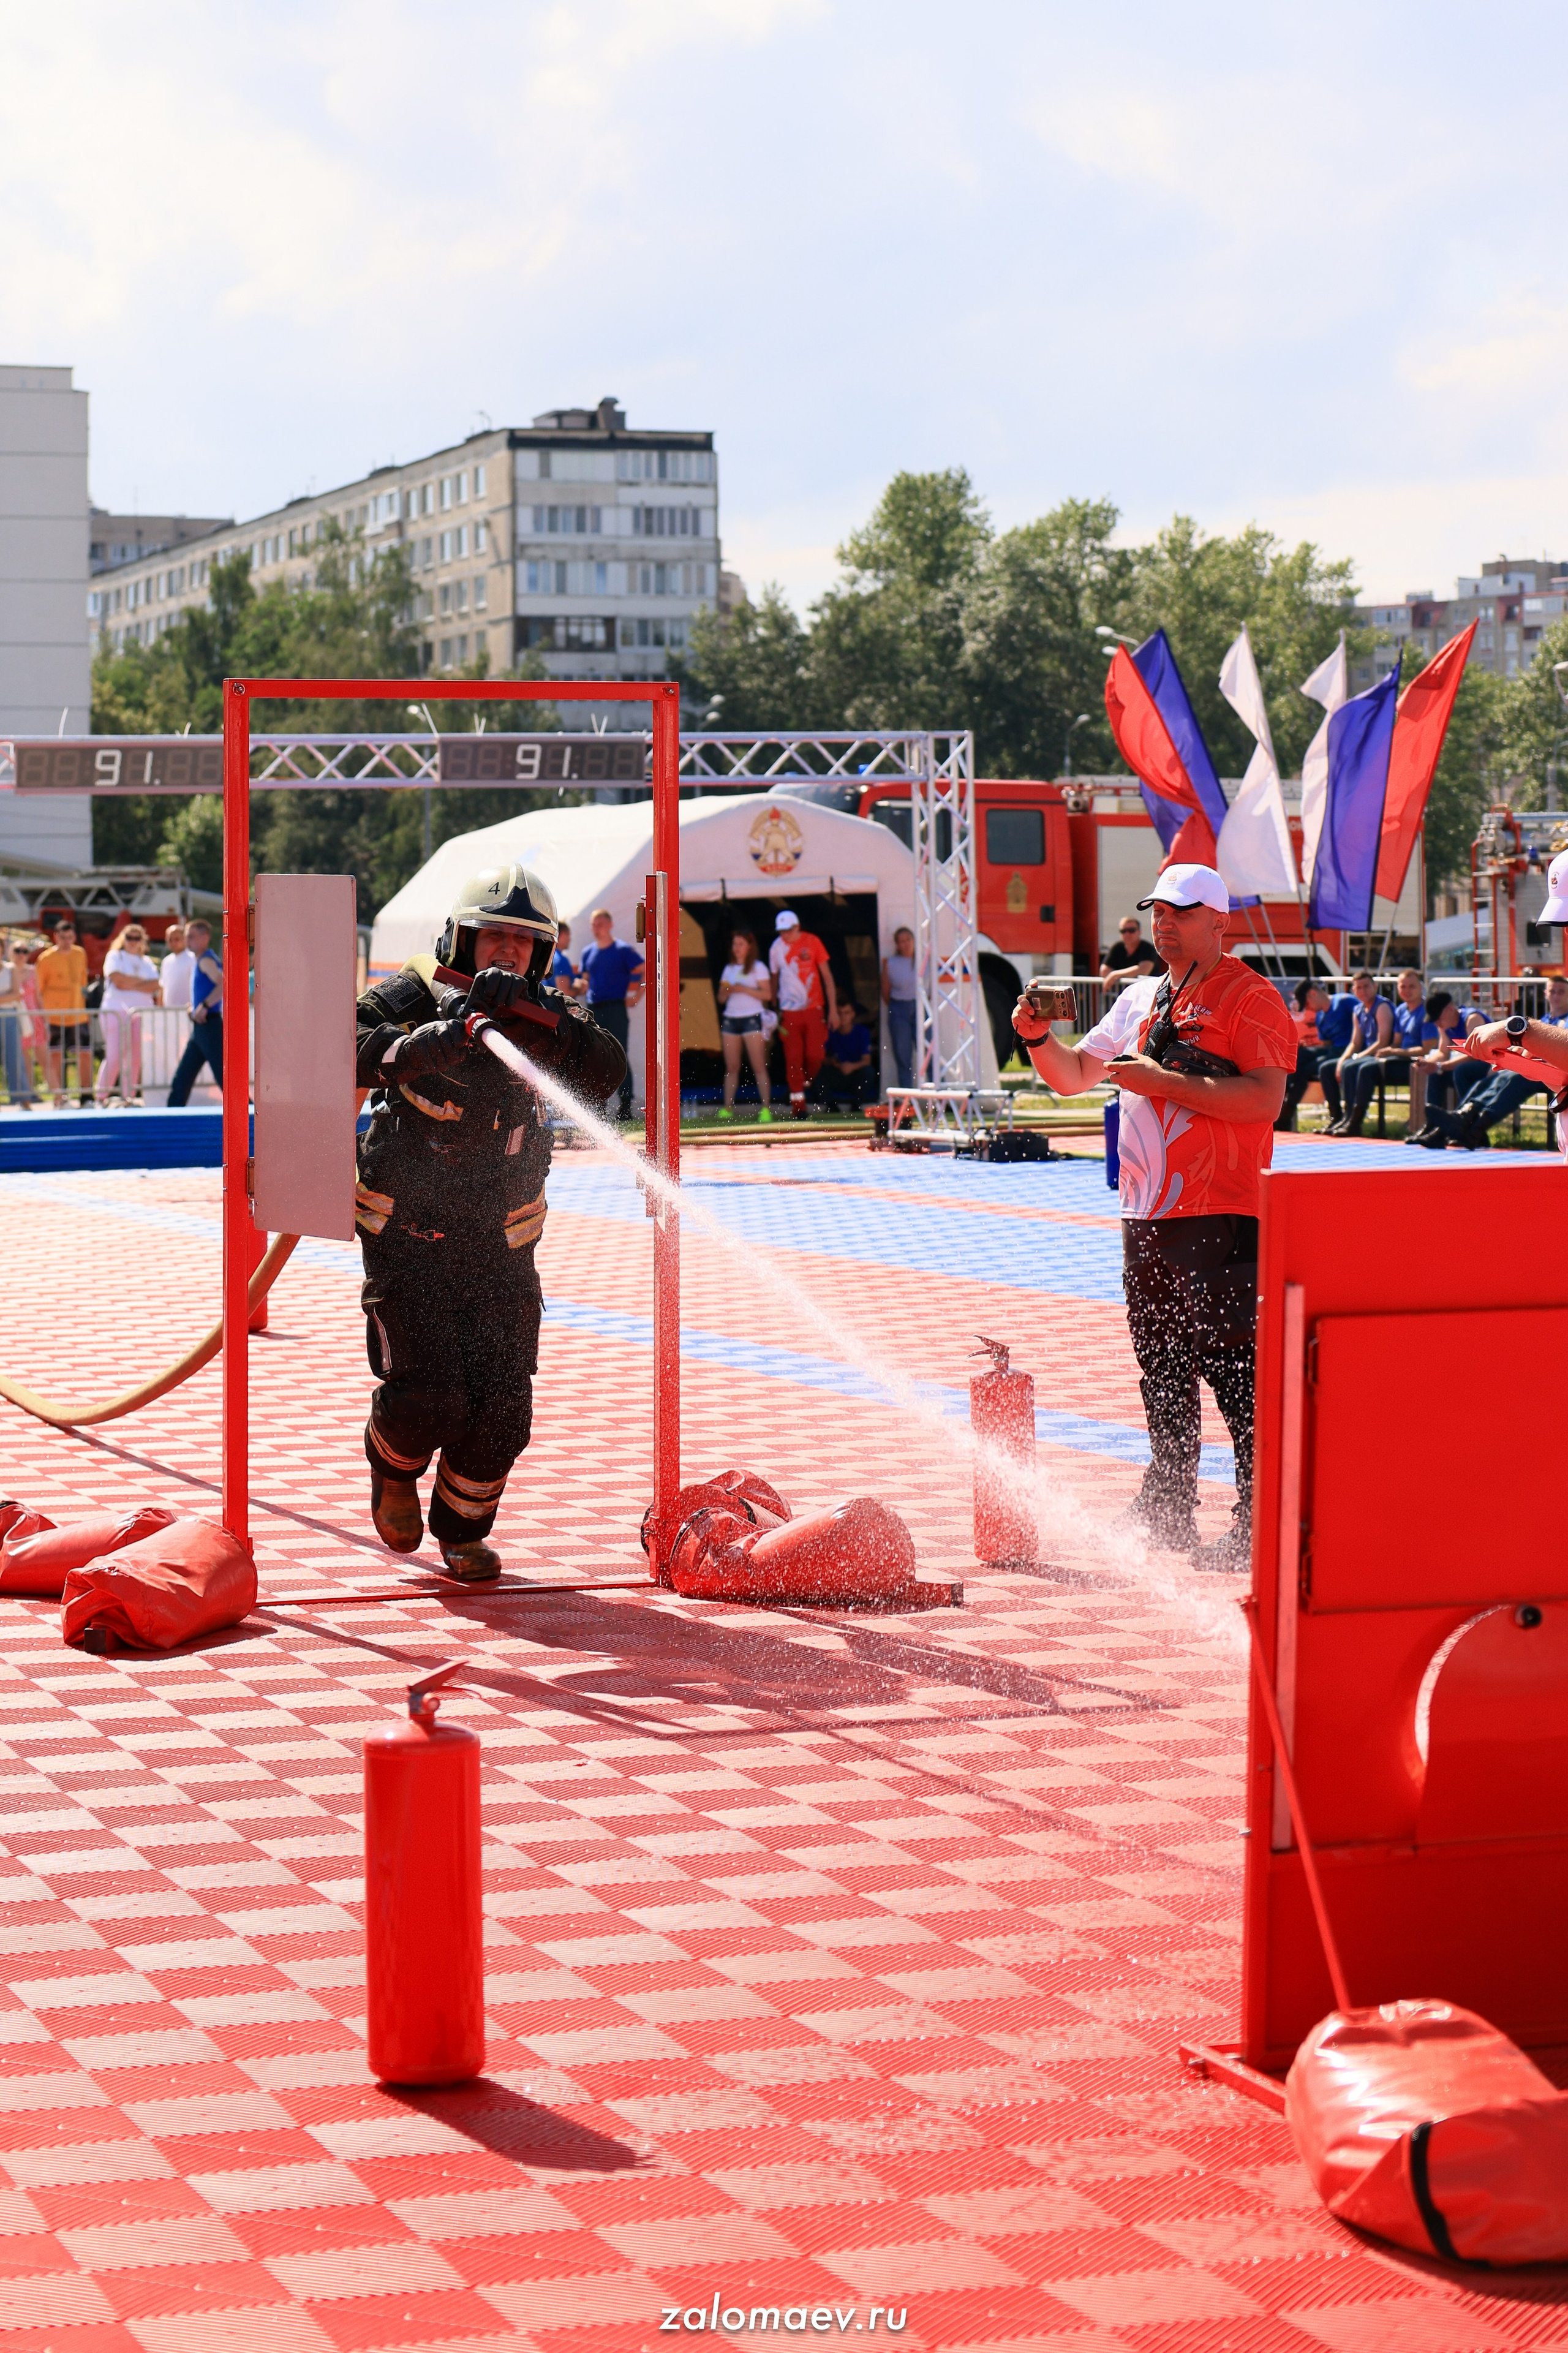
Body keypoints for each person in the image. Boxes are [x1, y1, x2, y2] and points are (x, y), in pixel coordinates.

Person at [1012, 861, 1295, 1571]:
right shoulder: (1140, 996)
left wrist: (1164, 1082)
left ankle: (1259, 1518)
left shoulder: (1250, 996)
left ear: (1219, 921)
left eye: (1180, 911)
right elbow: (1075, 1075)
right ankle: (1168, 1504)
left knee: (1233, 1367)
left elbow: (1264, 1100)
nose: (1164, 922)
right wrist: (1037, 1039)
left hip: (1222, 1207)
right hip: (1145, 1207)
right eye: (1157, 911)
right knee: (1161, 1362)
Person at [353, 864, 627, 1579]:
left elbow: (606, 1071)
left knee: (504, 1406)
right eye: (493, 937)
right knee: (431, 1393)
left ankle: (462, 1529)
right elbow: (343, 1042)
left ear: (540, 954)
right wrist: (427, 1044)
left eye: (522, 941)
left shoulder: (549, 1013)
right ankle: (392, 1464)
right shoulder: (416, 994)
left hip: (502, 1241)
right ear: (460, 940)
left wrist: (541, 1025)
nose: (506, 952)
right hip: (409, 1235)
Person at [1420, 973, 1568, 1149]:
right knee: (1492, 1079)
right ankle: (1463, 1120)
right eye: (1553, 991)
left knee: (1513, 1079)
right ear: (1546, 994)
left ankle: (1474, 1129)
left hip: (1554, 1073)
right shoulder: (1546, 1020)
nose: (1556, 996)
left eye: (1561, 992)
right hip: (1538, 1068)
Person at [769, 908, 837, 1118]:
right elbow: (774, 979)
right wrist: (773, 1008)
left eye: (788, 930)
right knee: (793, 1057)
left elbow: (827, 976)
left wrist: (833, 1009)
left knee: (816, 1054)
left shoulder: (813, 942)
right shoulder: (776, 948)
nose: (785, 935)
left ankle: (805, 1082)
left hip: (814, 1008)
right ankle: (798, 1105)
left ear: (797, 927)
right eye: (781, 931)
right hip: (789, 1012)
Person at [577, 907, 643, 1122]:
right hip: (594, 1008)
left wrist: (636, 996)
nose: (597, 929)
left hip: (616, 1008)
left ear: (610, 925)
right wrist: (579, 985)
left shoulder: (622, 950)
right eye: (594, 925)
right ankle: (599, 1106)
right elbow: (585, 979)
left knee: (620, 1053)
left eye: (601, 924)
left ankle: (625, 1105)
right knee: (596, 1055)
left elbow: (643, 968)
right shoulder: (588, 952)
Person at [1404, 991, 1487, 1144]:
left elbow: (1477, 1054)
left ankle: (1469, 1127)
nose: (1437, 1024)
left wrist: (1441, 1066)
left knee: (1461, 1071)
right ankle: (1433, 1124)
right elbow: (1443, 1052)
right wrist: (1429, 1063)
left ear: (1450, 1009)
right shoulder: (1445, 1025)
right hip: (1471, 1068)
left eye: (1438, 1018)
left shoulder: (1472, 1019)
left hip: (1491, 1067)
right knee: (1437, 1074)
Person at [95, 923, 159, 1106]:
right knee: (114, 1055)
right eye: (129, 938)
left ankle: (128, 1096)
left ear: (142, 941)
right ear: (123, 939)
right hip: (116, 1011)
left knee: (135, 1057)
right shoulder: (115, 956)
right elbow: (117, 980)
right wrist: (142, 984)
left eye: (136, 938)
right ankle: (101, 1096)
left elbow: (156, 985)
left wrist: (129, 982)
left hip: (140, 1014)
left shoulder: (147, 962)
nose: (133, 941)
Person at [715, 927, 774, 1122]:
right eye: (735, 944)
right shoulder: (729, 969)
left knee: (759, 1065)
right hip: (731, 1018)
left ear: (750, 946)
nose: (737, 948)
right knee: (731, 1066)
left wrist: (744, 989)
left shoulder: (758, 967)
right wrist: (727, 992)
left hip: (752, 1018)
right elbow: (721, 998)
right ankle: (727, 1107)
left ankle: (765, 1108)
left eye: (741, 944)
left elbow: (768, 994)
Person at [1326, 970, 1393, 1136]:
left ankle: (1355, 1120)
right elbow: (1355, 1042)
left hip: (1384, 1056)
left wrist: (1358, 1057)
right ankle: (1338, 1116)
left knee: (1352, 1067)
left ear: (1375, 987)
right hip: (1368, 1055)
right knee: (1327, 1068)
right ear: (1353, 990)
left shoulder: (1382, 1007)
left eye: (1366, 986)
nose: (1363, 991)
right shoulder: (1358, 1010)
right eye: (1359, 988)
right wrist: (1343, 1059)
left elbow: (1383, 1041)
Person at [164, 919, 224, 1105]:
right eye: (186, 937)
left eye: (191, 936)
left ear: (205, 938)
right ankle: (172, 1113)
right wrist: (196, 1006)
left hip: (209, 1026)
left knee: (223, 1077)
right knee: (183, 1078)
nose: (186, 940)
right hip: (203, 1027)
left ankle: (249, 1111)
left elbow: (224, 984)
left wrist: (205, 1006)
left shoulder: (206, 960)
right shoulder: (203, 959)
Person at [36, 918, 92, 1106]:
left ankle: (86, 1096)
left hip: (78, 1014)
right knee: (56, 1057)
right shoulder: (46, 958)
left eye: (70, 937)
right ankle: (60, 1098)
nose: (66, 941)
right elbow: (39, 989)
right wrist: (43, 1016)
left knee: (85, 1054)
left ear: (74, 937)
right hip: (54, 1016)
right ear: (55, 937)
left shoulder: (80, 953)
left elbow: (83, 983)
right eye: (63, 937)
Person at [1277, 979, 1343, 1131]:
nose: (1308, 1009)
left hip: (1346, 1051)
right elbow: (1326, 1045)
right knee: (1298, 1059)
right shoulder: (1320, 1016)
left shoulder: (1345, 1002)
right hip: (1332, 1050)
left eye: (1307, 1004)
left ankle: (1284, 1112)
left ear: (1313, 994)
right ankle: (1283, 1111)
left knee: (1306, 1067)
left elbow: (1358, 1035)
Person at [809, 999, 875, 1111]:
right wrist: (832, 1062)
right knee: (816, 1070)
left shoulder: (862, 1032)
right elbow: (820, 1056)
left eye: (847, 1013)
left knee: (869, 1072)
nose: (843, 1017)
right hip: (837, 1073)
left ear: (853, 1014)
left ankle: (857, 1105)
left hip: (855, 1076)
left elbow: (867, 1060)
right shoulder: (830, 1031)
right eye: (839, 1013)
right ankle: (830, 1105)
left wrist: (851, 1067)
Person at [0, 931, 36, 1108]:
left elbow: (18, 994)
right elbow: (13, 994)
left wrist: (8, 997)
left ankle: (23, 1099)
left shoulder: (10, 969)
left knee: (15, 1058)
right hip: (7, 1011)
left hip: (9, 1017)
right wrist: (7, 997)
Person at [882, 926, 918, 1090]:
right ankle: (907, 1095)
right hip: (899, 1008)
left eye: (908, 940)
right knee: (903, 1053)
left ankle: (938, 1095)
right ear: (897, 945)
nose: (906, 944)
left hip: (919, 1006)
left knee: (929, 1051)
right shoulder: (891, 963)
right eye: (902, 941)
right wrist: (897, 1006)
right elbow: (885, 991)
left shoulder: (923, 960)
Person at [1099, 915, 1165, 996]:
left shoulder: (1147, 948)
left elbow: (1144, 970)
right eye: (1123, 931)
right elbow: (1104, 971)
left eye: (1131, 930)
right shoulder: (1117, 947)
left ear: (1139, 932)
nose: (1127, 934)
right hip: (1122, 995)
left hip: (1147, 994)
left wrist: (1115, 975)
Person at [159, 920, 196, 1013]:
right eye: (170, 940)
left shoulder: (193, 958)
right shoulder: (166, 961)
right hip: (169, 1013)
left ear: (185, 939)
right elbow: (163, 987)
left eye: (177, 939)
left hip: (187, 1012)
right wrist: (160, 1010)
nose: (173, 943)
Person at [549, 921, 577, 994]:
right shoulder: (561, 961)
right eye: (568, 935)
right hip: (554, 1001)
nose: (570, 939)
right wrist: (580, 988)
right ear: (563, 935)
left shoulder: (548, 956)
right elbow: (564, 993)